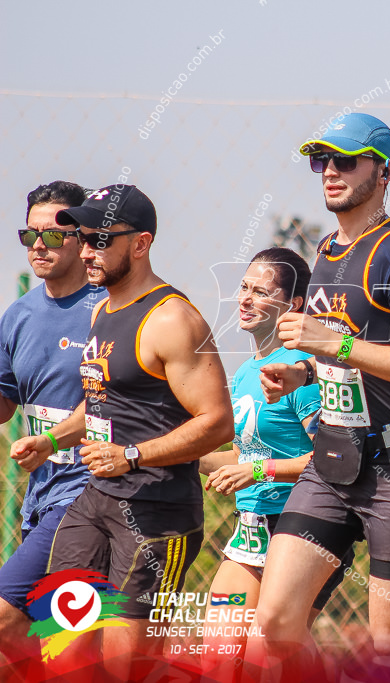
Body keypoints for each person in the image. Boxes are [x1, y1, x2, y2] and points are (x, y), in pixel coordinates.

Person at [254, 113, 390, 676]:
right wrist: (305, 375)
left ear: (385, 171)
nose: (330, 173)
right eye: (322, 161)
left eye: (346, 160)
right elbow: (354, 358)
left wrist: (335, 347)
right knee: (274, 620)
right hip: (332, 461)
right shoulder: (328, 251)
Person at [9, 184, 234, 668]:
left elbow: (217, 423)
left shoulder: (172, 319)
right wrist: (50, 441)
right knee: (63, 645)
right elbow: (102, 406)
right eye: (83, 237)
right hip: (96, 500)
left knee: (126, 662)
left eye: (100, 239)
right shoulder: (104, 311)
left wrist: (132, 456)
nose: (86, 250)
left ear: (140, 243)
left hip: (158, 513)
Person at [199, 248, 349, 676]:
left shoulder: (297, 372)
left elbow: (334, 456)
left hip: (300, 526)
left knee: (271, 654)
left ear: (294, 306)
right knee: (218, 654)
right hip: (251, 528)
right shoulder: (248, 371)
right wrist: (170, 456)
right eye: (244, 287)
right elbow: (242, 456)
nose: (244, 299)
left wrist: (260, 471)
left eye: (261, 292)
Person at [0, 181, 97, 665]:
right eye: (30, 235)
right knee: (45, 640)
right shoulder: (18, 314)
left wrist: (55, 437)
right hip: (40, 495)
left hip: (90, 493)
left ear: (84, 238)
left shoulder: (110, 310)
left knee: (6, 615)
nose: (39, 245)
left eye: (54, 235)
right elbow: (5, 399)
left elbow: (113, 403)